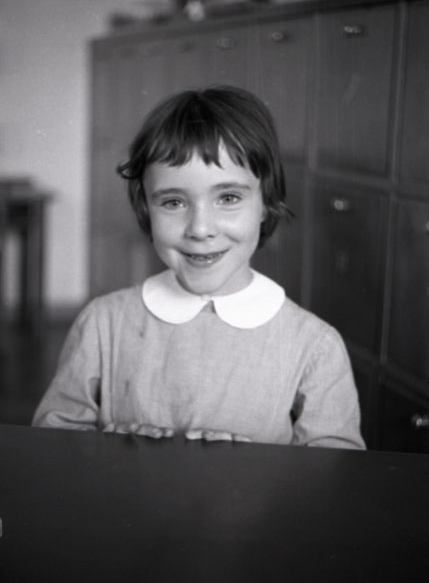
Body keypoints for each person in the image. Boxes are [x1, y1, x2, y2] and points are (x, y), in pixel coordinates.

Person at [32, 86, 365, 449]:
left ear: (266, 204)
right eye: (174, 202)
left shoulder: (315, 346)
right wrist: (110, 449)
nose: (200, 229)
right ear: (146, 209)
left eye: (229, 198)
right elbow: (55, 440)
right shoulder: (102, 323)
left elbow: (334, 467)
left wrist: (254, 465)